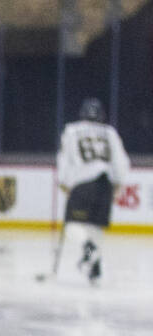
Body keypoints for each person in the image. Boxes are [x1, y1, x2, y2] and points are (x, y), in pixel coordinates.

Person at [55, 97, 130, 285]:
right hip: (105, 184)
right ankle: (94, 269)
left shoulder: (72, 130)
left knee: (73, 226)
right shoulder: (110, 132)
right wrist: (118, 182)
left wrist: (64, 181)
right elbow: (121, 161)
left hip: (83, 183)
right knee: (95, 228)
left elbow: (65, 158)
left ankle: (89, 251)